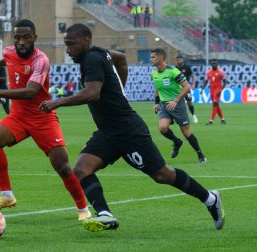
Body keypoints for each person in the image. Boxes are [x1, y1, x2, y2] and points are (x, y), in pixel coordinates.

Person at [39, 23, 224, 232]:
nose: (67, 50)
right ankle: (105, 214)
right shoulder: (100, 53)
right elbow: (121, 59)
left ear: (85, 41)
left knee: (162, 175)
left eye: (70, 44)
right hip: (108, 132)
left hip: (128, 130)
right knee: (82, 168)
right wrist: (121, 90)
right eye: (66, 44)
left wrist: (58, 102)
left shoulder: (92, 58)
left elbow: (93, 93)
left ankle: (210, 198)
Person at [0, 19, 91, 221]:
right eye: (17, 37)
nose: (21, 42)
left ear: (34, 38)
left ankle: (83, 208)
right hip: (18, 116)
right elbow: (8, 58)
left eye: (26, 37)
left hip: (42, 116)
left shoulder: (41, 60)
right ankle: (6, 195)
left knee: (62, 166)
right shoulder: (10, 51)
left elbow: (31, 91)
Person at [151, 49, 206, 163]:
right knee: (162, 128)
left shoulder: (173, 71)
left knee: (186, 132)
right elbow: (157, 87)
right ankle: (177, 142)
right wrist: (156, 102)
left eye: (153, 57)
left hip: (178, 105)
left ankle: (200, 154)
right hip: (164, 105)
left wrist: (175, 100)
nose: (151, 59)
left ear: (160, 58)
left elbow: (186, 87)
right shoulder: (154, 73)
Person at [201, 59, 227, 125]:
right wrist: (202, 89)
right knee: (216, 105)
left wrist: (221, 90)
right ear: (211, 64)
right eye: (213, 63)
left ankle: (211, 121)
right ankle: (223, 119)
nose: (214, 64)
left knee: (215, 103)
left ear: (217, 64)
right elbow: (206, 81)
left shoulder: (221, 72)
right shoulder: (208, 72)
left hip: (218, 90)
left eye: (215, 63)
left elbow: (225, 82)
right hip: (211, 90)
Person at [175, 55, 198, 123]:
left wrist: (193, 84)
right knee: (177, 103)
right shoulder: (175, 69)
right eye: (178, 60)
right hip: (178, 89)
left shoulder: (187, 67)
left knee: (189, 102)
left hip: (186, 88)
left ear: (182, 60)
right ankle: (178, 118)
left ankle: (193, 115)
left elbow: (192, 76)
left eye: (180, 59)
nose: (179, 61)